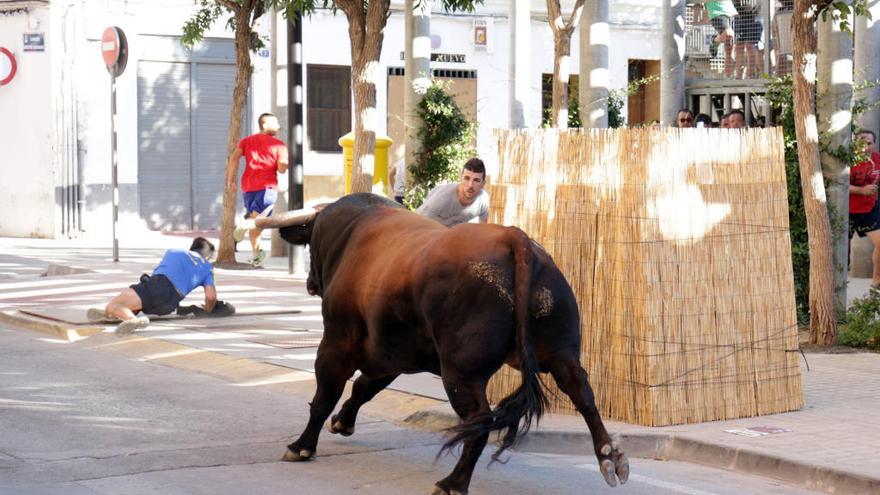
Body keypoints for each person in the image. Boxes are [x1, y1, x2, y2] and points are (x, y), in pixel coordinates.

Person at [87, 237, 218, 335]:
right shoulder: (207, 268)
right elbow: (211, 297)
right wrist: (208, 310)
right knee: (138, 303)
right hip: (170, 304)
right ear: (207, 256)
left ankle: (131, 319)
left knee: (113, 305)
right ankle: (113, 314)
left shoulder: (174, 252)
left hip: (159, 285)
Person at [228, 113, 289, 267]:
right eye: (275, 123)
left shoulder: (246, 141)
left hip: (247, 186)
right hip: (267, 187)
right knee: (258, 221)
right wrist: (286, 162)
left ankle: (257, 256)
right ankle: (243, 225)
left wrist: (230, 180)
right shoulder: (279, 145)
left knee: (256, 222)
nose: (278, 126)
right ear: (265, 125)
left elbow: (234, 158)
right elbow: (282, 169)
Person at [417, 157, 490, 227]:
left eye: (476, 180)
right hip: (431, 233)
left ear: (483, 184)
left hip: (454, 236)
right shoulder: (442, 197)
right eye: (466, 178)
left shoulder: (483, 200)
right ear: (460, 179)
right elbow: (418, 222)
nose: (470, 185)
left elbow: (483, 228)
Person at [849, 130, 880, 288]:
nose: (866, 147)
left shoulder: (877, 159)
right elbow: (838, 185)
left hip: (869, 210)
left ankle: (876, 281)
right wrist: (861, 190)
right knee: (838, 250)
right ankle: (836, 283)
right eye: (862, 143)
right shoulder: (848, 160)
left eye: (869, 143)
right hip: (847, 211)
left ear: (874, 144)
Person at [705, 1, 738, 76]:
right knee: (728, 34)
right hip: (717, 12)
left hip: (731, 12)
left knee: (730, 48)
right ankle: (715, 41)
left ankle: (729, 77)